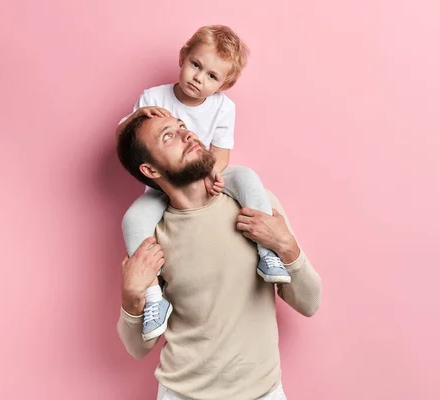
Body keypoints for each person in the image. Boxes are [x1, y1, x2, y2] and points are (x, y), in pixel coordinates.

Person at [116, 113, 322, 400]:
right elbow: (138, 348)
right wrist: (130, 295)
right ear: (150, 170)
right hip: (182, 394)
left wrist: (286, 245)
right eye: (168, 136)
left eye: (182, 127)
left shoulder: (255, 205)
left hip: (263, 392)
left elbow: (310, 302)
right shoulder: (153, 236)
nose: (187, 135)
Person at [116, 25, 291, 342]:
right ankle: (155, 298)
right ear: (183, 57)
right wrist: (138, 114)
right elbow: (125, 137)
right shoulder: (154, 98)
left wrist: (213, 174)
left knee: (247, 176)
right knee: (134, 218)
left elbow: (221, 154)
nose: (199, 78)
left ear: (224, 85)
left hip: (206, 174)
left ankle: (268, 252)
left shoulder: (224, 107)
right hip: (163, 188)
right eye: (196, 65)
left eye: (212, 76)